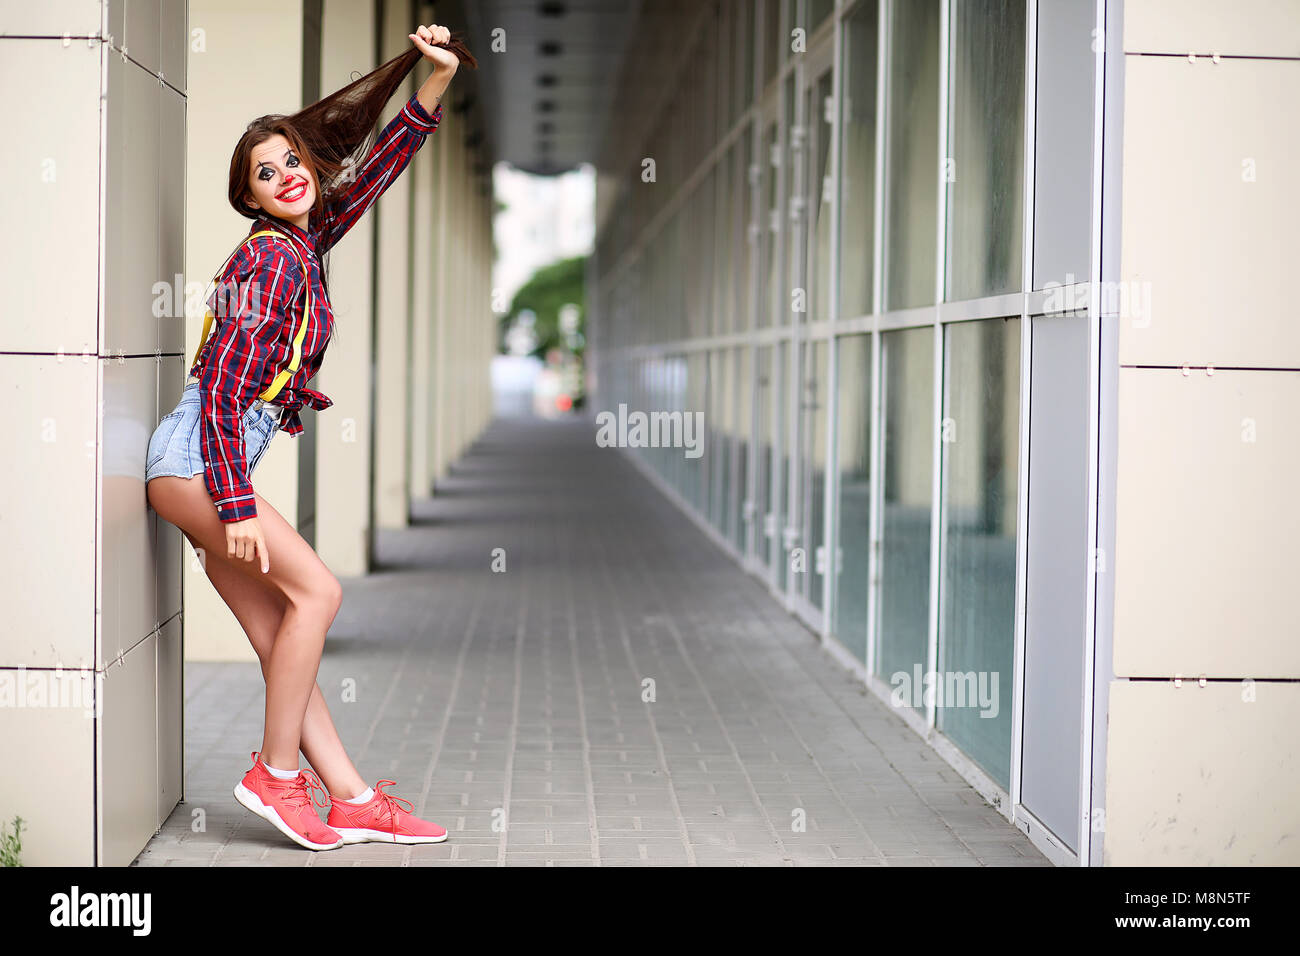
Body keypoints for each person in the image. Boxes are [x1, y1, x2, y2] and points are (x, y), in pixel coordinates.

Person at [145, 23, 476, 851]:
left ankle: (353, 797)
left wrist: (431, 82)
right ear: (248, 196)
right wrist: (239, 508)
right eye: (266, 173)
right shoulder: (266, 263)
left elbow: (371, 178)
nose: (287, 176)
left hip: (201, 469)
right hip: (199, 465)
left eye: (292, 160)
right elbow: (222, 392)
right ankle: (274, 775)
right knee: (320, 595)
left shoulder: (301, 244)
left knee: (276, 635)